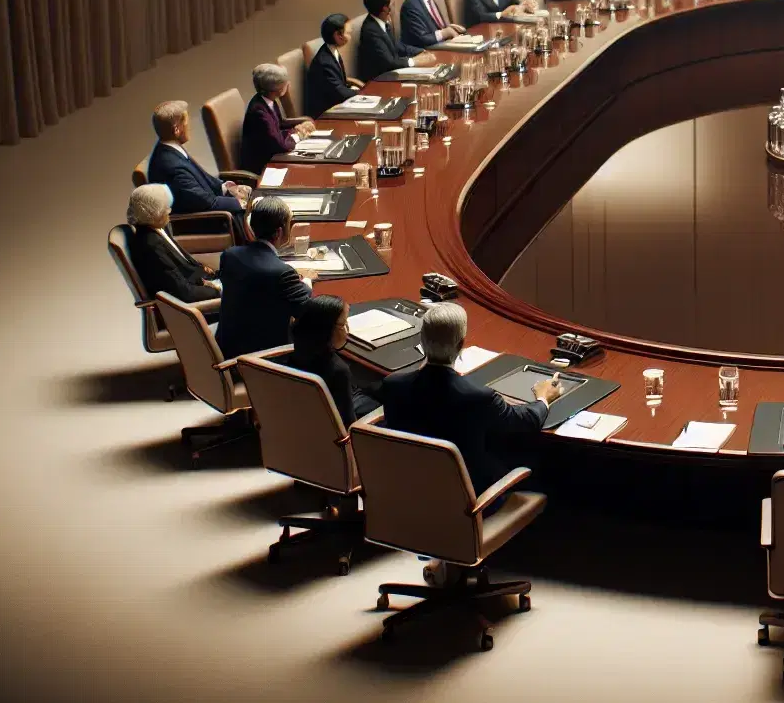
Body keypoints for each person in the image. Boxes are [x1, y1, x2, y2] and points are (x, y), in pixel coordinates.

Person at [378, 303, 562, 513]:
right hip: (468, 505)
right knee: (534, 463)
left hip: (408, 493)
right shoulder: (478, 398)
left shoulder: (393, 385)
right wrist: (544, 397)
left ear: (422, 340)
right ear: (461, 344)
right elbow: (526, 420)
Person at [217, 197, 312, 359]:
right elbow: (308, 311)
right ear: (280, 232)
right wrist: (306, 281)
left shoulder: (229, 255)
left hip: (227, 349)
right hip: (261, 362)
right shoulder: (281, 272)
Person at [289, 295, 382, 425]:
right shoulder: (338, 371)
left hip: (304, 419)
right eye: (343, 324)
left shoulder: (294, 352)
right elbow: (348, 424)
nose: (348, 331)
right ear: (326, 330)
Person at [146, 100, 249, 217]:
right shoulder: (170, 165)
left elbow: (201, 179)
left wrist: (226, 188)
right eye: (186, 123)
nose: (189, 127)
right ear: (177, 129)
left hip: (212, 207)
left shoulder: (171, 149)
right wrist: (241, 203)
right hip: (209, 220)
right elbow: (205, 202)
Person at [124, 183, 219, 304]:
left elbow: (183, 265)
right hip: (195, 305)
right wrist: (219, 290)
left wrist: (206, 273)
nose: (169, 211)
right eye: (166, 208)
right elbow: (184, 293)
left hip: (202, 280)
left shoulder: (156, 227)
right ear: (154, 212)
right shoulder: (151, 245)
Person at [239, 63, 316, 177]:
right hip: (265, 166)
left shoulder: (267, 99)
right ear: (278, 90)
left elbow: (279, 123)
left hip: (274, 154)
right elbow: (280, 146)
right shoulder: (258, 112)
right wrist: (298, 135)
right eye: (285, 83)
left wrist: (301, 123)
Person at [356, 0, 435, 81]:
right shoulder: (371, 31)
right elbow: (388, 63)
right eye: (392, 4)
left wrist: (421, 51)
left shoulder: (381, 21)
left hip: (393, 72)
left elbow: (397, 45)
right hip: (380, 80)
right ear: (385, 9)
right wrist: (414, 61)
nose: (395, 6)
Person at [305, 14, 358, 118]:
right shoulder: (324, 62)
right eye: (348, 33)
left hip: (336, 105)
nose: (350, 36)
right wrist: (359, 92)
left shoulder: (330, 51)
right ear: (338, 35)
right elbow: (340, 94)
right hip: (326, 115)